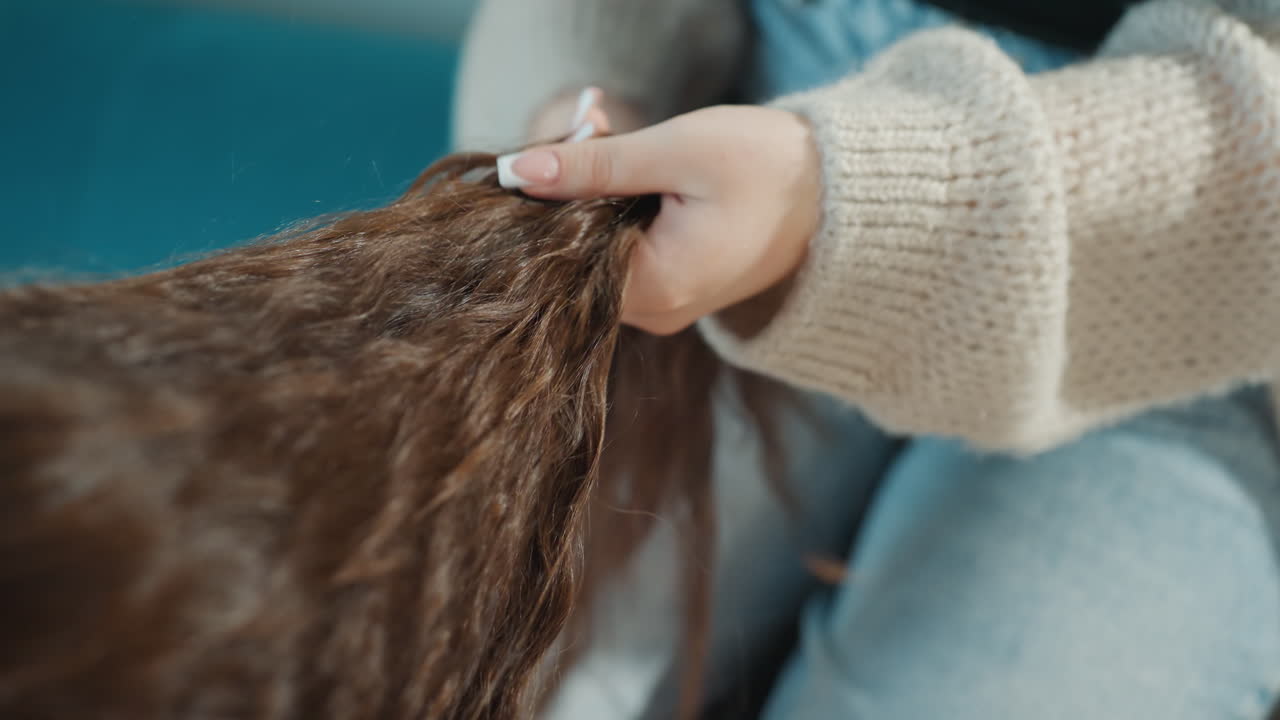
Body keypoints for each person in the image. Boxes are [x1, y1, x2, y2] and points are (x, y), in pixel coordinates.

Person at [455, 1, 1280, 718]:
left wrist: (845, 197)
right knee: (493, 666)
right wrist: (591, 83)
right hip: (747, 109)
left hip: (1217, 318)